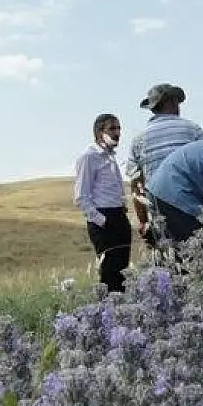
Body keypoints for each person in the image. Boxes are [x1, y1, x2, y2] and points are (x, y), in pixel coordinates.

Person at [124, 83, 203, 245]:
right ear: (170, 103)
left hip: (158, 211)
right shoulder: (193, 130)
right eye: (176, 101)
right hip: (193, 209)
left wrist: (143, 221)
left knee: (165, 264)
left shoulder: (139, 139)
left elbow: (136, 185)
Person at [73, 113, 131, 293]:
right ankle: (107, 314)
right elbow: (81, 197)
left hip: (119, 216)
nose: (118, 132)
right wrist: (103, 221)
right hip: (104, 220)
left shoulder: (111, 156)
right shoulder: (89, 156)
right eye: (112, 128)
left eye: (119, 128)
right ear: (99, 133)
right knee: (109, 273)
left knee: (123, 271)